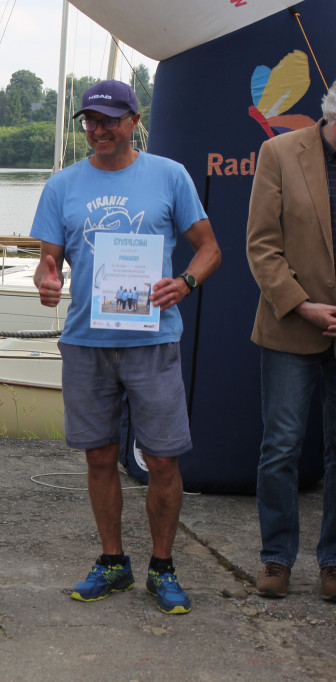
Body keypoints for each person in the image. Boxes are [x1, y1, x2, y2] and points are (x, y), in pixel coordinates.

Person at [32, 80, 221, 615]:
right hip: (86, 341)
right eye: (90, 120)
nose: (98, 129)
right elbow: (49, 264)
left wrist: (184, 282)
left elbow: (209, 249)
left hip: (152, 341)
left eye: (110, 119)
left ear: (134, 120)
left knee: (162, 459)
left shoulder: (169, 175)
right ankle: (113, 561)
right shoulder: (62, 185)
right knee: (99, 457)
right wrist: (46, 284)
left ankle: (162, 567)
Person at [246, 80, 336, 603]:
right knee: (280, 447)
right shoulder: (279, 152)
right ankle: (276, 557)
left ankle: (334, 561)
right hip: (290, 322)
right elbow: (261, 245)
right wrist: (303, 304)